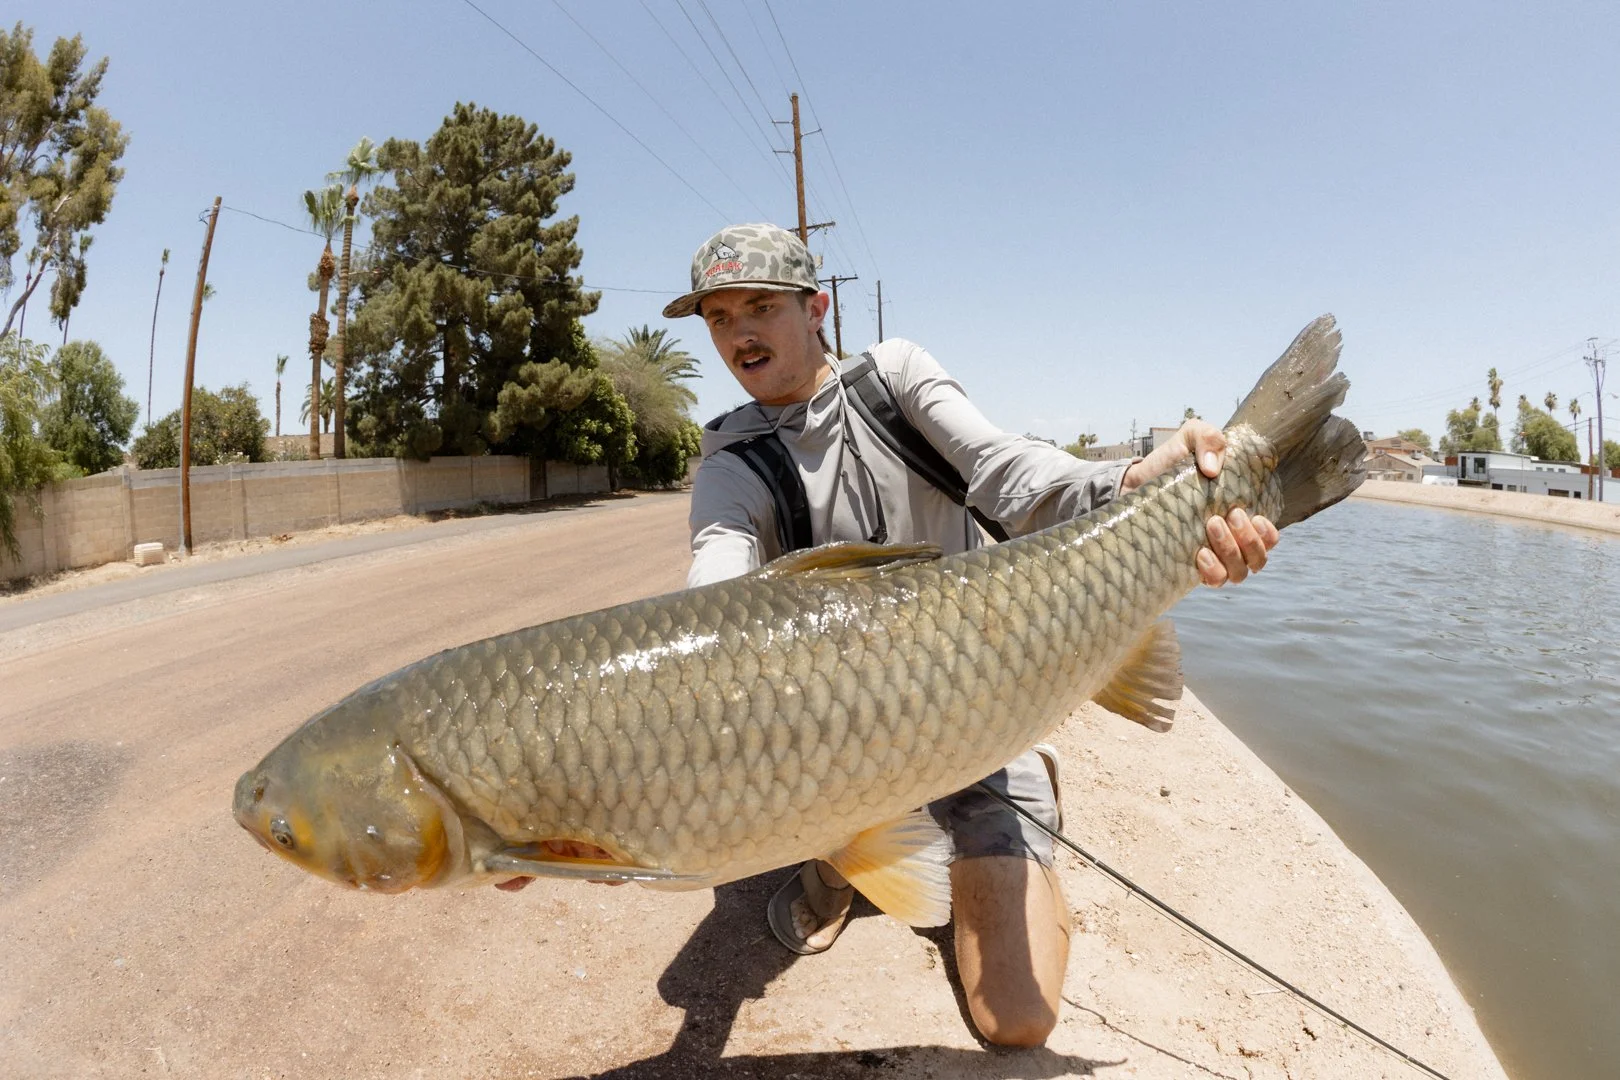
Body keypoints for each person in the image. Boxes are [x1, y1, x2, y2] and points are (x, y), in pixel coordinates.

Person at [668, 223, 1278, 1047]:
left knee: (1015, 1022)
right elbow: (717, 576)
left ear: (816, 308)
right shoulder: (731, 460)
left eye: (760, 306)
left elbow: (1007, 471)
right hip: (833, 754)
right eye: (717, 316)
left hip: (976, 714)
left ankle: (1024, 782)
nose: (738, 331)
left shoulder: (894, 379)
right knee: (815, 828)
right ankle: (848, 851)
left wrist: (1133, 481)